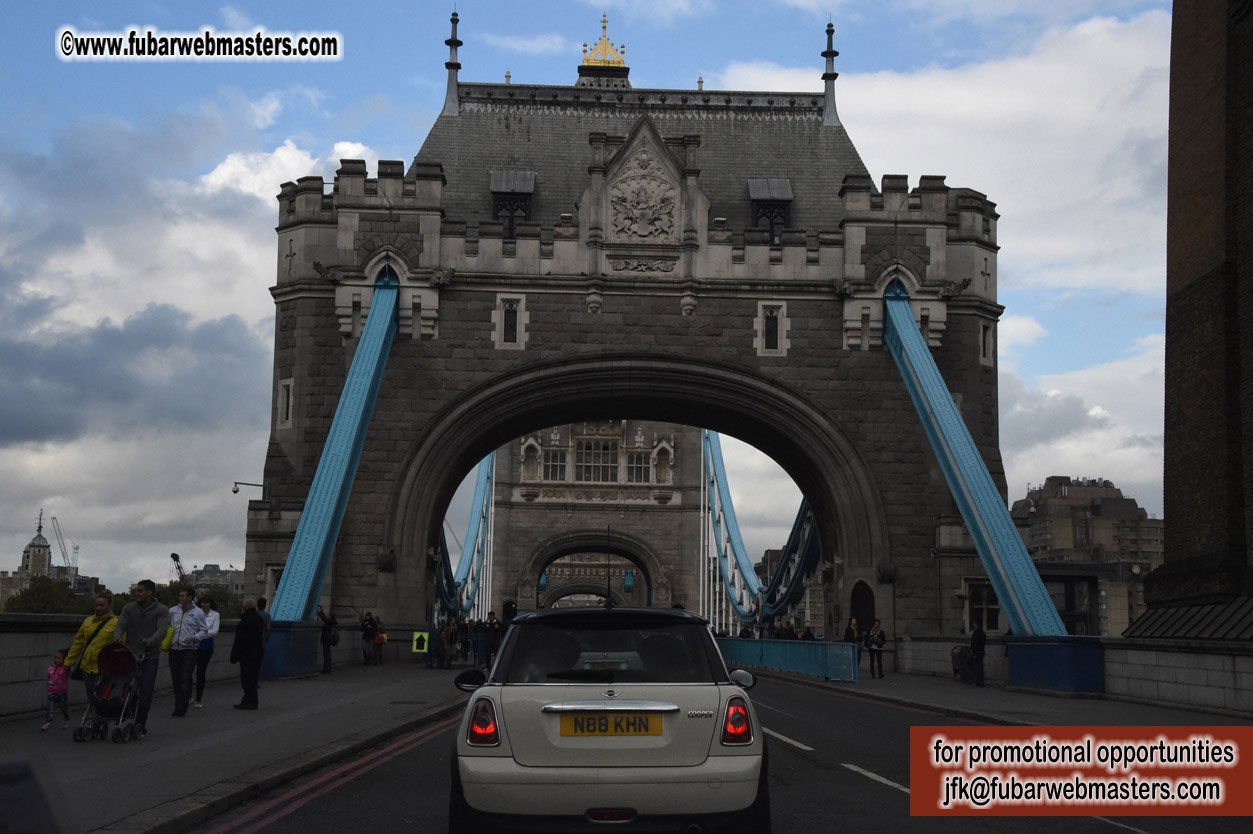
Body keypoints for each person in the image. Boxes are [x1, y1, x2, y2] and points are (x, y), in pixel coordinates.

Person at [113, 578, 170, 737]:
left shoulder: (161, 610)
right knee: (126, 687)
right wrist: (117, 637)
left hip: (150, 655)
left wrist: (151, 641)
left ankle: (140, 723)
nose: (136, 594)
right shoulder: (129, 608)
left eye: (140, 591)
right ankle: (123, 714)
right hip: (130, 655)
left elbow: (162, 630)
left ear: (149, 592)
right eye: (136, 591)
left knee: (146, 691)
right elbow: (120, 625)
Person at [64, 592, 117, 708]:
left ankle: (98, 720)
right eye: (97, 605)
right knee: (91, 698)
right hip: (87, 667)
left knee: (101, 698)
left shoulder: (115, 623)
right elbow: (78, 644)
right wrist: (68, 662)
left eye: (102, 605)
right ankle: (94, 720)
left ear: (109, 607)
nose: (98, 608)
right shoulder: (88, 621)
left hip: (103, 668)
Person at [167, 586, 209, 717]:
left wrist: (194, 637)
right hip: (174, 648)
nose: (180, 597)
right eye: (179, 595)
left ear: (190, 598)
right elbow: (167, 626)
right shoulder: (173, 611)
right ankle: (178, 703)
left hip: (190, 649)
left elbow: (204, 630)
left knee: (185, 677)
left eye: (182, 595)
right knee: (175, 679)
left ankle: (181, 706)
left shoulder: (198, 612)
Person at [231, 599, 266, 709]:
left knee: (246, 678)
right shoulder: (258, 618)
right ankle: (247, 700)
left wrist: (234, 655)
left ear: (244, 608)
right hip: (257, 652)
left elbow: (240, 640)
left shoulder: (245, 620)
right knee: (252, 678)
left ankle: (251, 701)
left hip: (247, 654)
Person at [191, 596, 220, 708]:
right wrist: (203, 633)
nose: (204, 605)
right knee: (188, 670)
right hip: (194, 644)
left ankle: (198, 699)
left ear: (210, 604)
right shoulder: (195, 613)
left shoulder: (215, 615)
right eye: (202, 602)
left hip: (206, 645)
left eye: (207, 602)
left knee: (200, 672)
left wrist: (201, 633)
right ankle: (189, 697)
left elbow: (215, 631)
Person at [43, 648, 72, 730]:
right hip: (51, 692)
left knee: (64, 708)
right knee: (50, 708)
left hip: (62, 693)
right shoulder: (50, 669)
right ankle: (48, 722)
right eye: (55, 657)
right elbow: (48, 680)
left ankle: (68, 719)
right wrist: (47, 690)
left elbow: (68, 667)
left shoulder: (64, 670)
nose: (56, 660)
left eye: (58, 658)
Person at [316, 605, 338, 674]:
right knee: (327, 654)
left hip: (327, 639)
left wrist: (320, 612)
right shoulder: (332, 621)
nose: (327, 615)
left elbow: (324, 619)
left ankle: (327, 669)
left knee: (326, 654)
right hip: (328, 639)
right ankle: (327, 668)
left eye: (328, 614)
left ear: (330, 616)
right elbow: (325, 619)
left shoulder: (330, 622)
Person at [968, 620, 986, 687]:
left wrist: (974, 652)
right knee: (980, 667)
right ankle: (980, 681)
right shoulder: (983, 632)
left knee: (974, 666)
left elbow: (974, 643)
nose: (973, 624)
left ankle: (975, 680)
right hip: (981, 651)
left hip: (976, 651)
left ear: (976, 624)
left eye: (974, 623)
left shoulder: (976, 632)